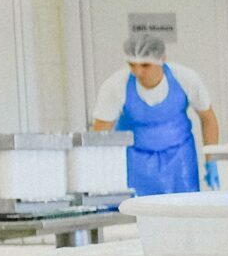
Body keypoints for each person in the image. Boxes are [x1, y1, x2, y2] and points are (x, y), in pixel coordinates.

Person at [91, 37, 221, 194]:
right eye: (132, 65)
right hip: (134, 162)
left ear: (162, 59)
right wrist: (96, 174)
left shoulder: (186, 78)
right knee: (135, 207)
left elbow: (208, 119)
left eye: (145, 65)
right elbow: (99, 135)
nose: (138, 72)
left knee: (182, 205)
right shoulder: (116, 86)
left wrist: (211, 160)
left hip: (180, 160)